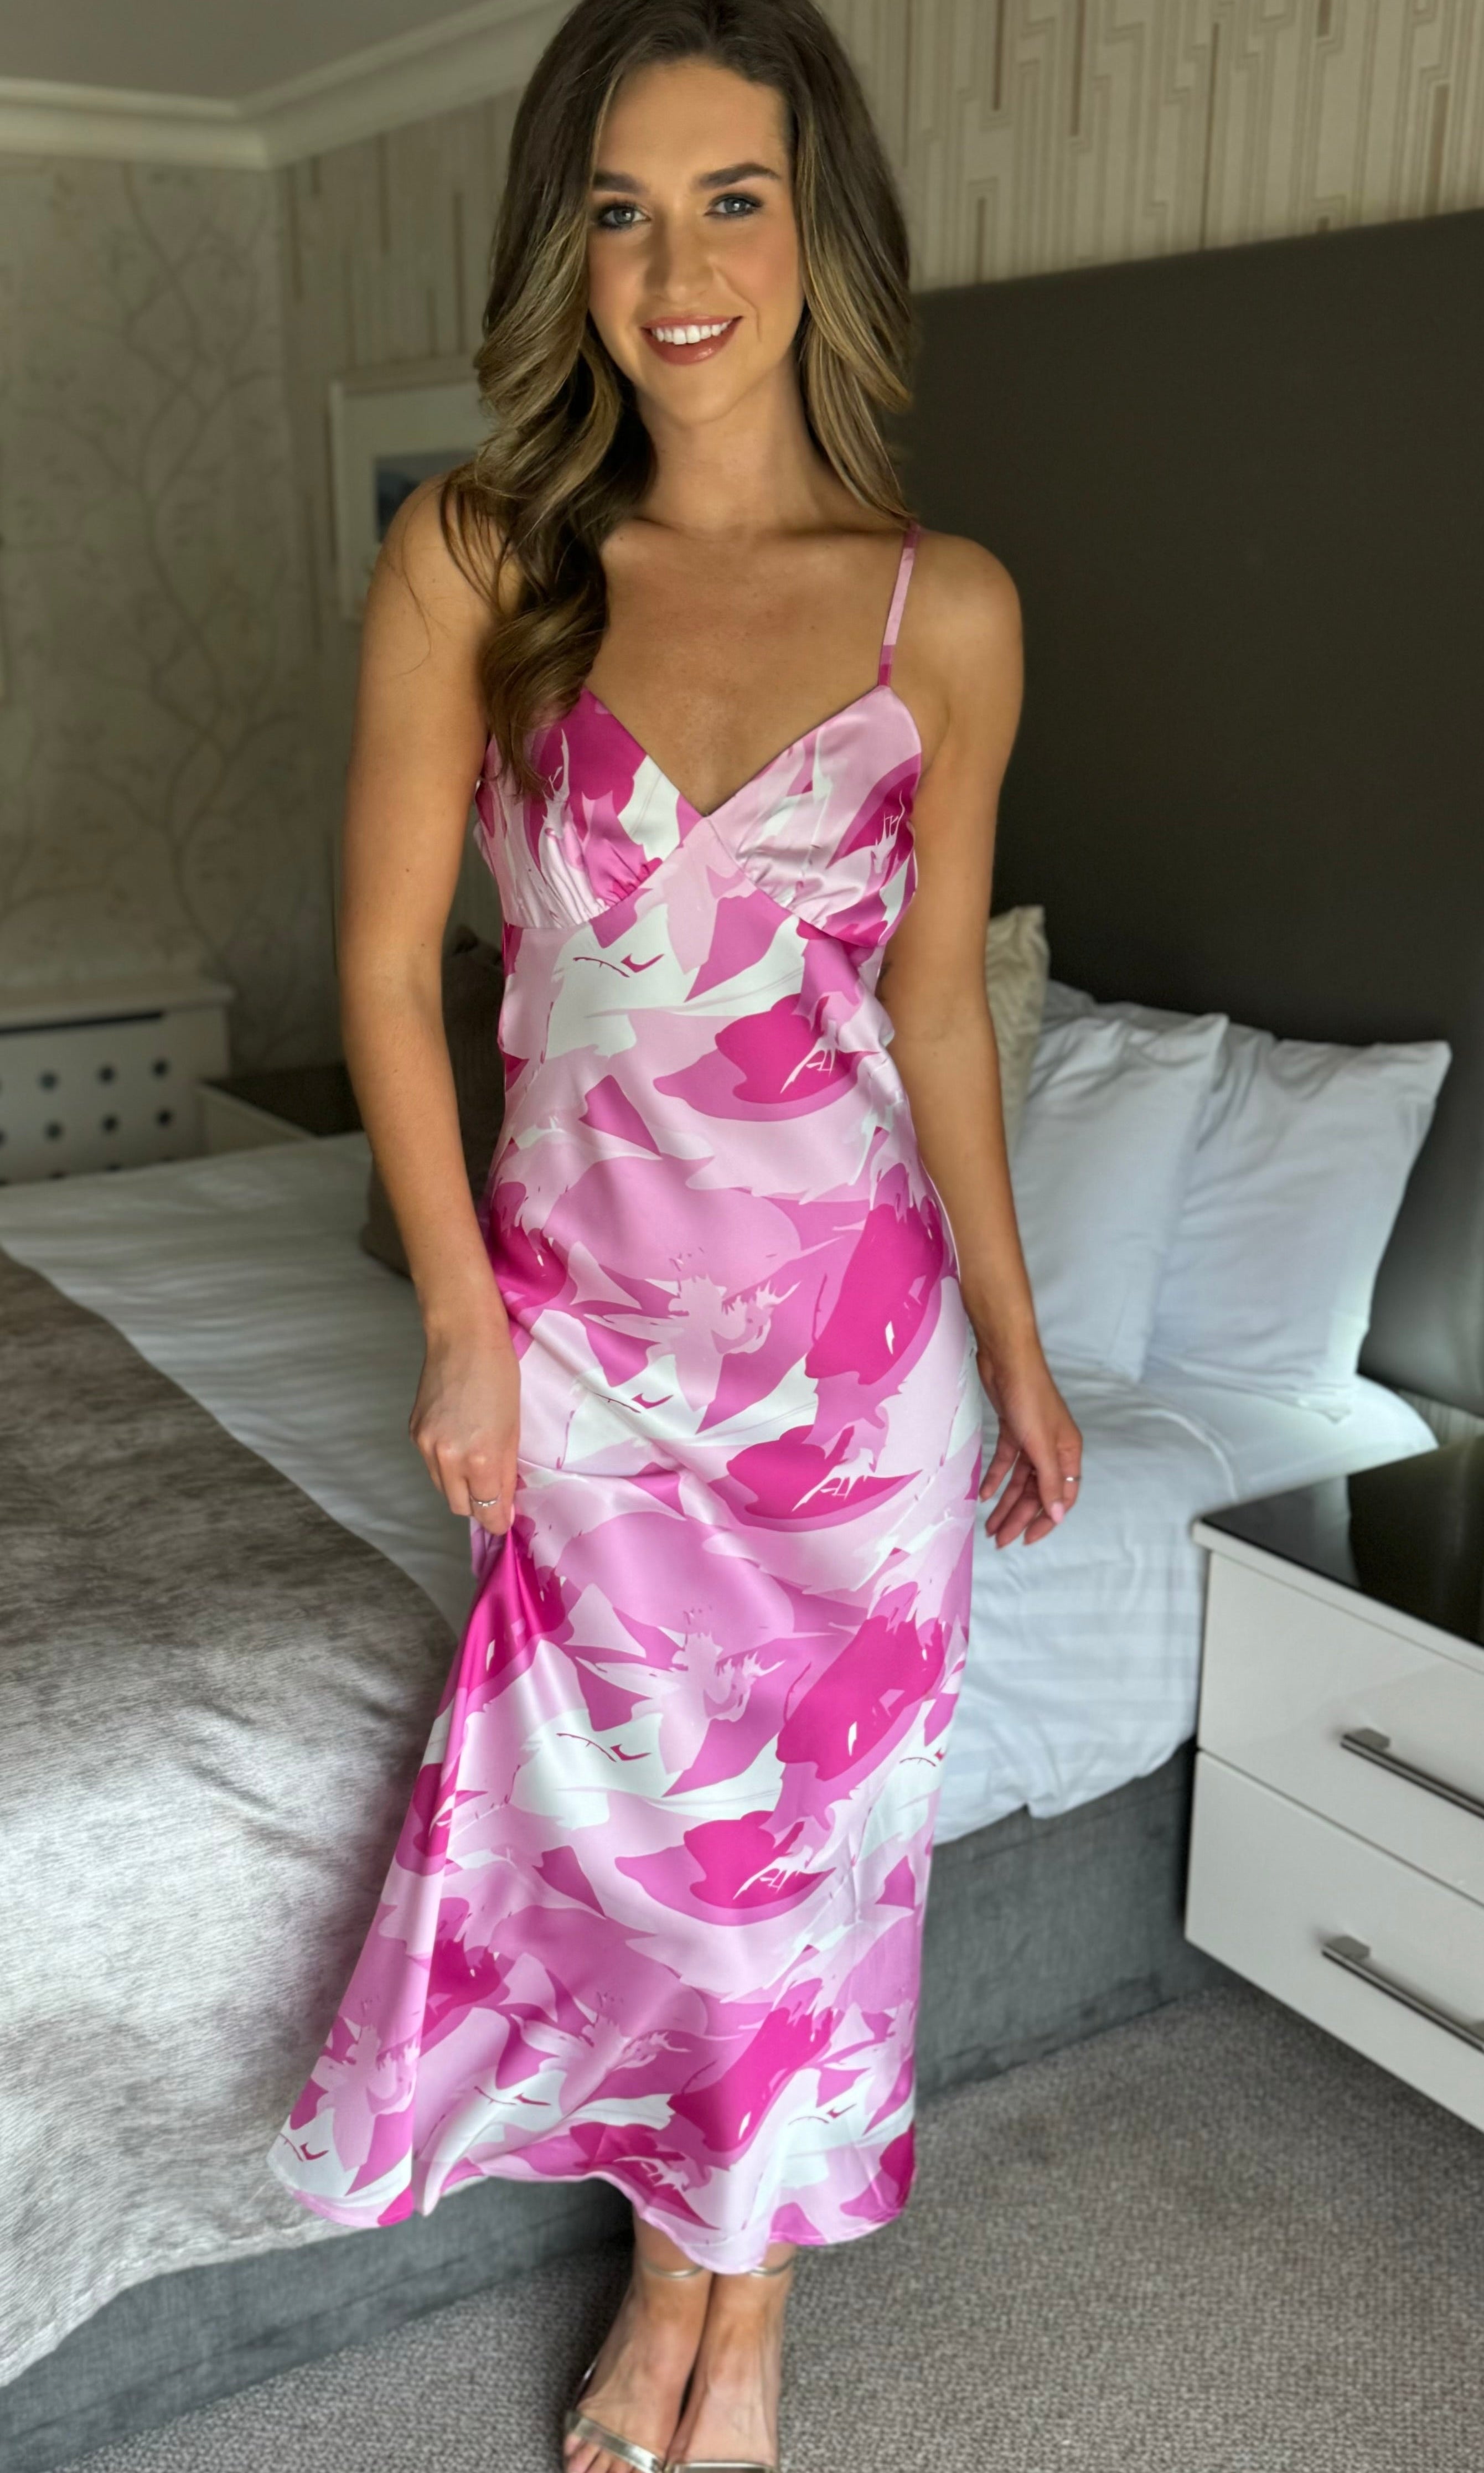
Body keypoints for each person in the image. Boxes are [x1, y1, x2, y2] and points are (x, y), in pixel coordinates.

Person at [267, 5, 1082, 2469]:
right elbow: (383, 971)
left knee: (814, 1869)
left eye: (733, 198)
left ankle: (735, 2322)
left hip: (858, 1376)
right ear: (569, 250)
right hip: (588, 1358)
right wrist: (458, 1320)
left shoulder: (945, 609)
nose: (676, 265)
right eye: (619, 210)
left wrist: (1017, 1348)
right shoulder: (481, 556)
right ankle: (680, 2277)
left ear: (822, 231)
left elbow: (933, 1018)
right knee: (650, 1864)